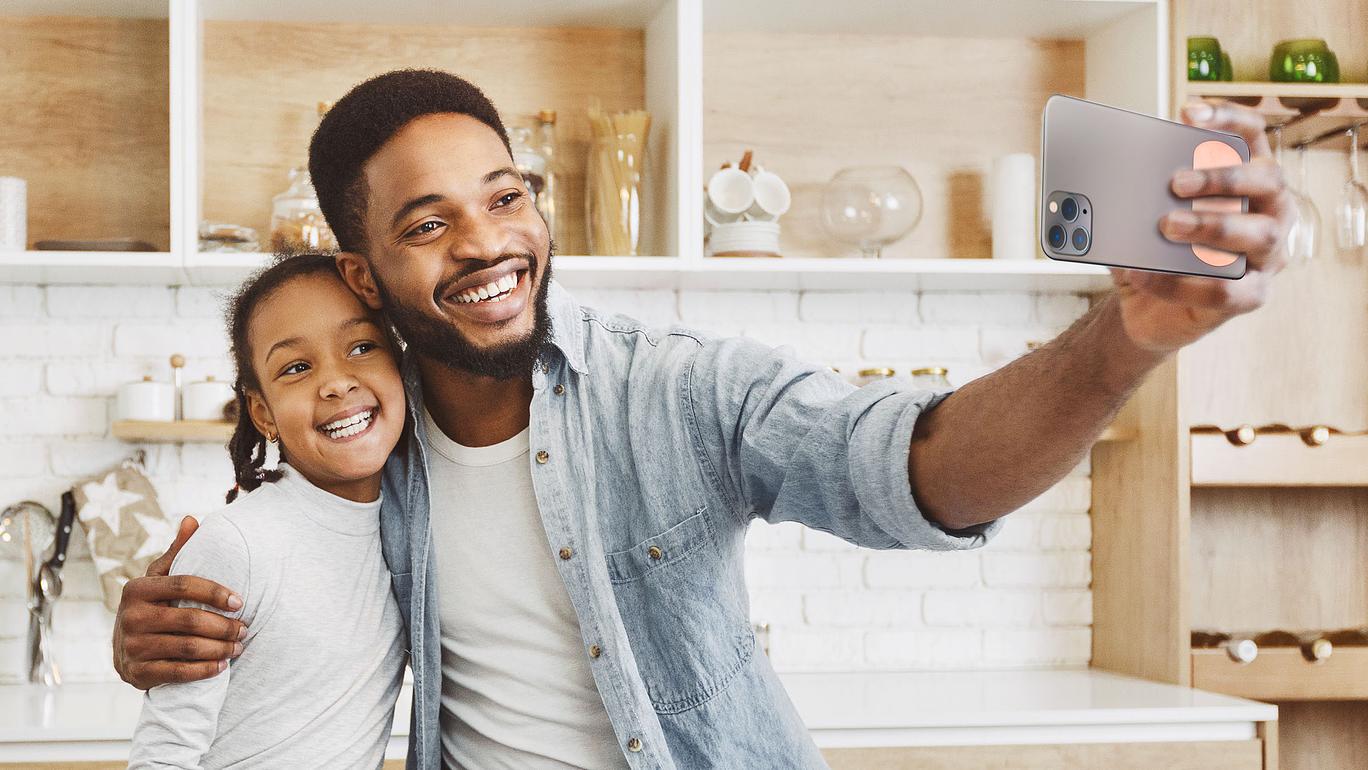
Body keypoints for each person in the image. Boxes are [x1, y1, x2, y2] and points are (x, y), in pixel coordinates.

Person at [112, 70, 1293, 769]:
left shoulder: (677, 387)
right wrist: (164, 638)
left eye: (505, 195)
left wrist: (1123, 336)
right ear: (363, 271)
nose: (486, 243)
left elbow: (908, 467)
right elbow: (289, 586)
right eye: (426, 225)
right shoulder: (371, 436)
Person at [127, 254, 409, 768]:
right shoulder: (236, 544)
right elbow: (164, 752)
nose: (337, 382)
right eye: (297, 367)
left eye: (363, 346)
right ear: (263, 414)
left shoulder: (413, 524)